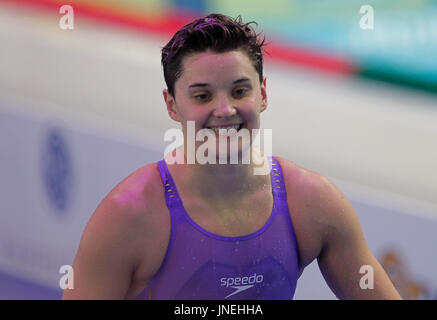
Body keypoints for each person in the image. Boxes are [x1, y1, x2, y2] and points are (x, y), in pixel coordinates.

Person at [62, 13, 402, 300]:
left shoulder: (313, 203)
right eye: (203, 95)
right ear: (171, 105)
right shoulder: (129, 217)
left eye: (240, 91)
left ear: (263, 93)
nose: (224, 110)